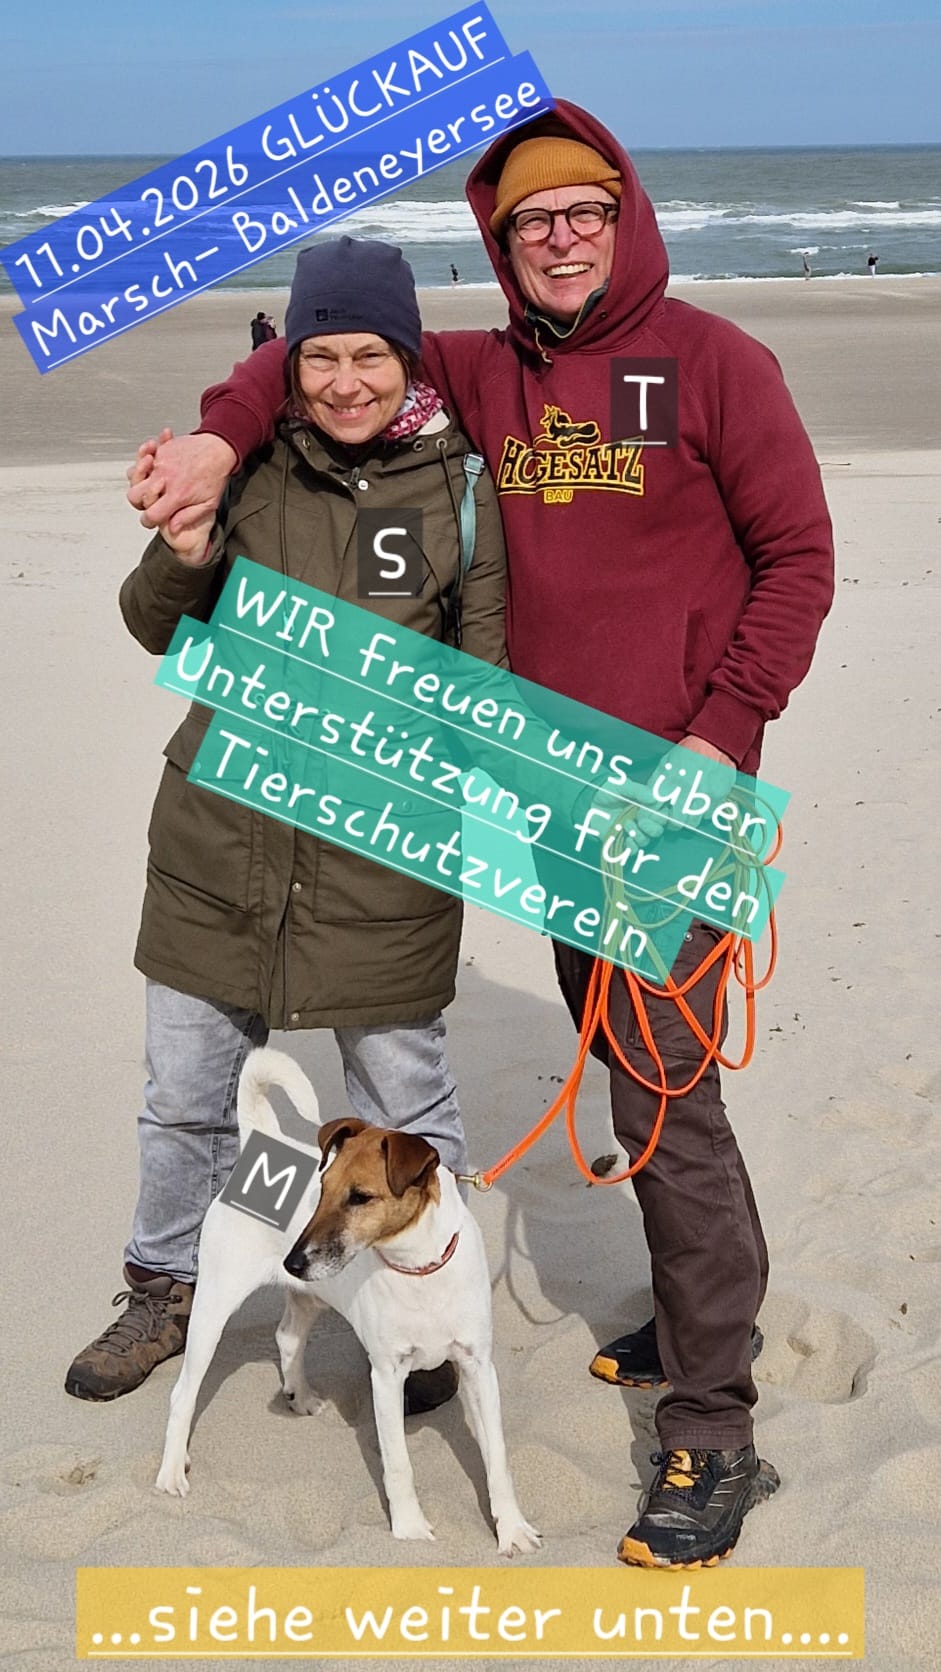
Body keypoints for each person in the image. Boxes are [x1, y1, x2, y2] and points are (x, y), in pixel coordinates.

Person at [128, 103, 835, 1569]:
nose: (560, 239)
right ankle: (693, 1320)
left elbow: (797, 562)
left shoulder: (715, 363)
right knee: (632, 1073)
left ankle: (713, 1424)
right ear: (499, 244)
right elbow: (306, 352)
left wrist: (717, 739)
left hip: (666, 801)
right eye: (529, 223)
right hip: (546, 802)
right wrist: (212, 435)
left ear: (624, 214)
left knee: (664, 1101)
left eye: (583, 211)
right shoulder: (484, 372)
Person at [66, 237, 508, 1417]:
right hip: (219, 845)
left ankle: (421, 1306)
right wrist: (185, 554)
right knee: (188, 1098)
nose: (345, 381)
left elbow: (485, 681)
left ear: (406, 356)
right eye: (320, 357)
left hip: (382, 860)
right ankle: (169, 1285)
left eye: (369, 354)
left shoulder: (459, 487)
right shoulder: (247, 467)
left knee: (404, 1101)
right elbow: (151, 620)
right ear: (290, 363)